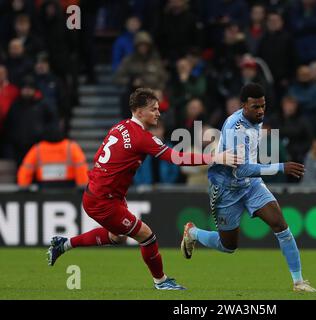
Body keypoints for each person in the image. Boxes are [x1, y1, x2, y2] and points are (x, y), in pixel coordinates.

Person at [46, 88, 240, 291]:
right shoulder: (142, 138)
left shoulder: (120, 126)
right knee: (147, 236)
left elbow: (99, 158)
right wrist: (214, 158)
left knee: (116, 237)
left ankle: (64, 243)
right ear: (139, 112)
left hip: (100, 193)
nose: (158, 113)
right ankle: (161, 281)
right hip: (103, 200)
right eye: (153, 109)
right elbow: (176, 158)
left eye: (158, 109)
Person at [180, 83, 316, 293]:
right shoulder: (236, 128)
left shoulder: (255, 120)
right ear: (243, 105)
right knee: (228, 246)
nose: (261, 110)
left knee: (280, 225)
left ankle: (299, 282)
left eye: (263, 105)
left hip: (251, 185)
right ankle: (193, 233)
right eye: (255, 107)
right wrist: (281, 166)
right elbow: (240, 170)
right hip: (226, 189)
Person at [17, 126, 88, 189]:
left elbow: (26, 170)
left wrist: (24, 187)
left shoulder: (37, 149)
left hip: (44, 188)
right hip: (68, 188)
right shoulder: (71, 147)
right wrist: (82, 187)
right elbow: (81, 168)